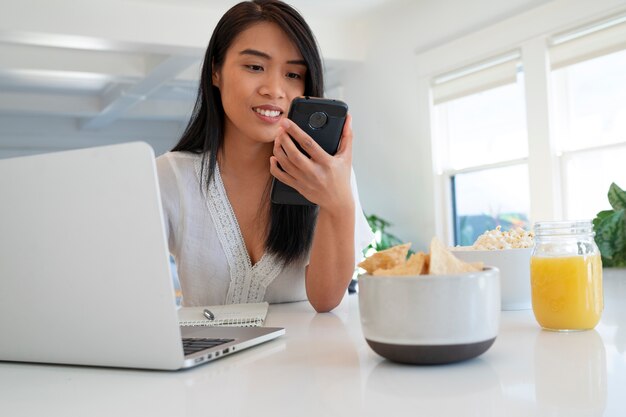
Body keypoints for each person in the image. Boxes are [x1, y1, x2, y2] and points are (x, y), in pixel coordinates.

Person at [156, 0, 373, 313]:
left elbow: (326, 299)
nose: (275, 89)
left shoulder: (327, 173)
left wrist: (337, 202)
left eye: (293, 74)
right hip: (209, 361)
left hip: (301, 361)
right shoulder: (170, 176)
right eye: (255, 67)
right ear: (216, 71)